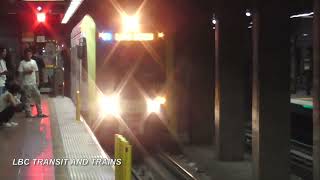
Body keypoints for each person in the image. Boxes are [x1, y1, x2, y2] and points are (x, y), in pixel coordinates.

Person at [18, 48, 48, 118]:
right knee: (27, 100)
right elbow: (20, 74)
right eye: (27, 54)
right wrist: (26, 73)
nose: (28, 56)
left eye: (29, 54)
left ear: (31, 55)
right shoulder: (22, 63)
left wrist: (38, 81)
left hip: (34, 83)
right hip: (26, 84)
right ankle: (28, 114)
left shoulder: (34, 62)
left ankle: (40, 113)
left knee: (38, 97)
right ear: (24, 55)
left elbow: (37, 72)